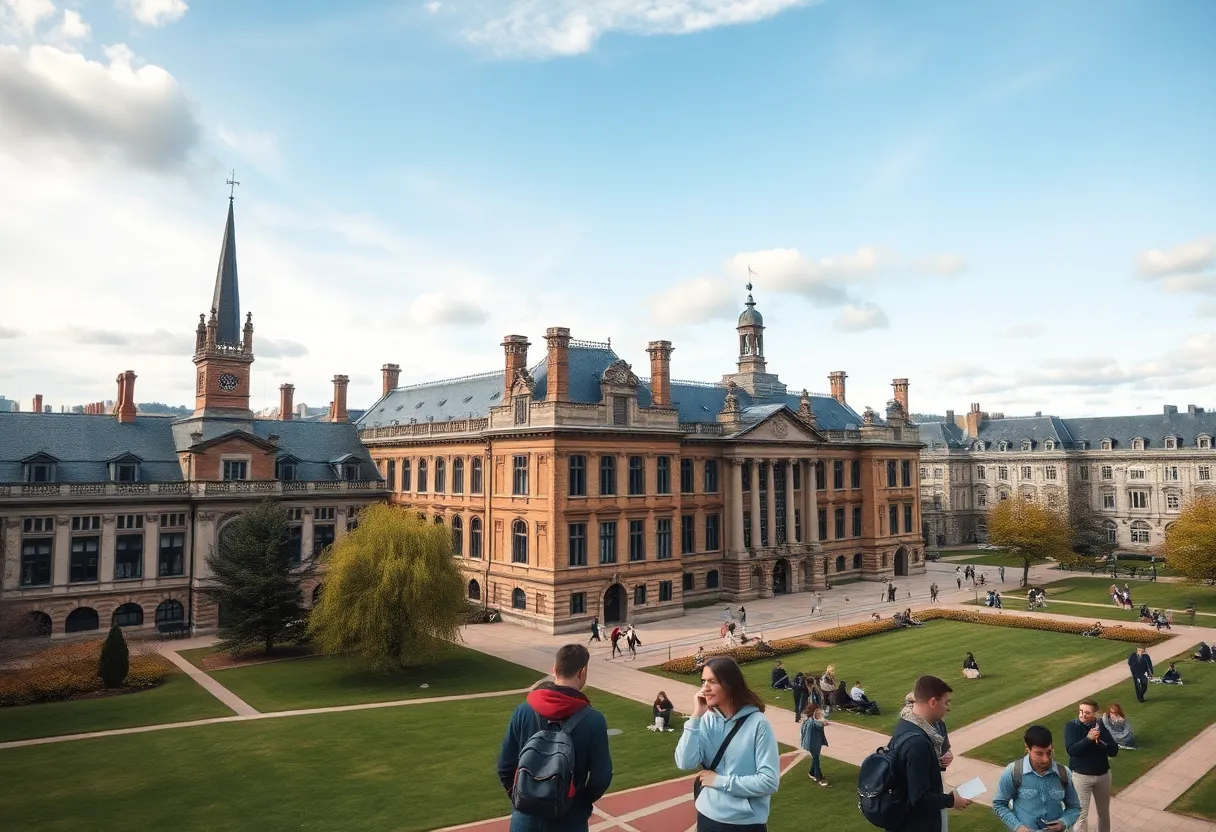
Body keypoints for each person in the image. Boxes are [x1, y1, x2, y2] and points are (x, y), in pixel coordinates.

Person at [497, 644, 613, 832]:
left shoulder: (523, 711)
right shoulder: (593, 720)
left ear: (554, 669)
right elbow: (601, 777)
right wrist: (576, 805)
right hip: (568, 820)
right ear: (582, 672)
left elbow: (505, 766)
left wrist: (520, 797)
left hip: (525, 818)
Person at [674, 656, 780, 831]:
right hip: (707, 817)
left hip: (745, 823)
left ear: (730, 685)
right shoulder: (706, 720)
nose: (704, 688)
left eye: (712, 682)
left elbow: (769, 782)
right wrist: (695, 718)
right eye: (703, 682)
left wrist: (719, 781)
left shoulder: (758, 724)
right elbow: (685, 763)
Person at [887, 675, 972, 831]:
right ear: (932, 702)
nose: (948, 707)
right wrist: (951, 801)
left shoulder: (905, 724)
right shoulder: (918, 743)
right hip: (918, 824)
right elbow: (919, 798)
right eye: (946, 702)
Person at [993, 724, 1081, 832]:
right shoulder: (1013, 772)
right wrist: (1018, 827)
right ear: (1027, 749)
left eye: (1049, 752)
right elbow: (999, 804)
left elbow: (1075, 807)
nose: (1045, 759)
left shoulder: (1063, 773)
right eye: (1039, 753)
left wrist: (1064, 822)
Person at [1065, 697, 1118, 832]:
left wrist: (1100, 742)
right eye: (1081, 711)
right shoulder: (1073, 726)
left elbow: (1113, 750)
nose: (1082, 715)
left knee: (1104, 813)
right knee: (1081, 815)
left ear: (1095, 714)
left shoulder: (1100, 726)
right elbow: (1072, 750)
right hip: (1081, 777)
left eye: (1087, 712)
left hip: (1103, 775)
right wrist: (1088, 739)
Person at [799, 703, 829, 786]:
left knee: (816, 758)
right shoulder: (810, 722)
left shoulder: (813, 720)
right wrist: (822, 722)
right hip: (812, 743)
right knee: (816, 760)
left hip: (817, 742)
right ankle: (819, 778)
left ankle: (811, 773)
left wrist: (823, 722)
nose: (820, 712)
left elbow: (820, 723)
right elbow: (817, 725)